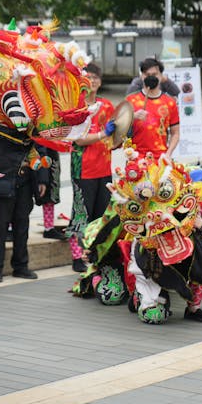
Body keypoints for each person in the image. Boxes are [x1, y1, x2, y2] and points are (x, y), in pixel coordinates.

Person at [66, 62, 115, 272]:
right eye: (88, 77)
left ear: (100, 81)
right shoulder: (77, 108)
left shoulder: (107, 106)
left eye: (96, 77)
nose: (92, 81)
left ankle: (95, 253)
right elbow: (78, 139)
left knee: (101, 214)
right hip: (82, 169)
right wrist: (104, 134)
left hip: (104, 169)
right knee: (81, 213)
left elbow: (115, 136)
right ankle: (77, 256)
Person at [0, 155, 47, 283]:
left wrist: (42, 179)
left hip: (25, 183)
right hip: (1, 183)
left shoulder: (31, 134)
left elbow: (40, 150)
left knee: (22, 227)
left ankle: (21, 266)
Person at [125, 60, 180, 160]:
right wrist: (133, 116)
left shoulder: (170, 102)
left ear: (161, 76)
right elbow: (118, 126)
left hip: (161, 158)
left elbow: (175, 132)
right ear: (142, 76)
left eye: (154, 74)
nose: (151, 77)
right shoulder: (130, 100)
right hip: (136, 158)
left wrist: (168, 153)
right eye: (147, 74)